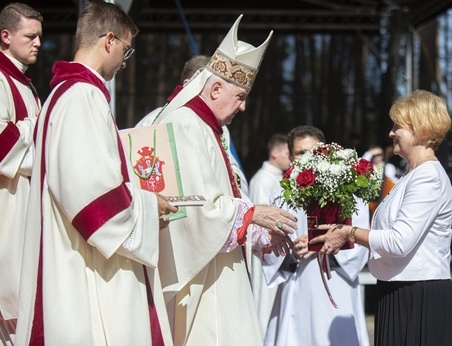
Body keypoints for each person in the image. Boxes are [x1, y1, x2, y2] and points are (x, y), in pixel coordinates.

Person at [15, 1, 179, 344]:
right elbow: (91, 199)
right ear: (109, 40)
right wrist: (150, 207)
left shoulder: (65, 93)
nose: (124, 61)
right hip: (85, 267)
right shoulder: (81, 97)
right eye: (126, 49)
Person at [154, 15, 297, 346]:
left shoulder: (209, 128)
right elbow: (192, 209)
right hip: (203, 278)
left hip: (220, 266)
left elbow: (223, 195)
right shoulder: (185, 124)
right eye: (241, 96)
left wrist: (258, 230)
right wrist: (252, 215)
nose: (244, 107)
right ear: (215, 88)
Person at [313, 90, 452, 346]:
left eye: (397, 126)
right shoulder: (411, 176)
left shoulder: (428, 177)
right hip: (399, 288)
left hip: (417, 294)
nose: (391, 133)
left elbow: (400, 242)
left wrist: (349, 233)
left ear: (420, 129)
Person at [262, 125, 370, 346]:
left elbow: (360, 245)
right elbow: (269, 248)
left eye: (313, 151)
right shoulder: (280, 197)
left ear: (325, 152)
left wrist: (318, 247)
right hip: (298, 284)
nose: (307, 158)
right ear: (290, 157)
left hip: (337, 284)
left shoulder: (349, 194)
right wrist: (290, 252)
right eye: (300, 153)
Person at [136, 54, 250, 196]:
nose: (243, 107)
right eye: (240, 97)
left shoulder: (216, 126)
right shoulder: (183, 121)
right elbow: (196, 196)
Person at [0, 3, 42, 344]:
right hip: (6, 210)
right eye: (30, 36)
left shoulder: (27, 85)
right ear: (6, 35)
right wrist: (38, 127)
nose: (38, 43)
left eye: (40, 36)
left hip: (25, 204)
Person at [248, 132, 291, 337]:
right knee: (264, 301)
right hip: (265, 251)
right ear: (274, 152)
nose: (290, 157)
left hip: (279, 251)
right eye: (287, 152)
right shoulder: (262, 180)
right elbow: (261, 219)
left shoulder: (277, 178)